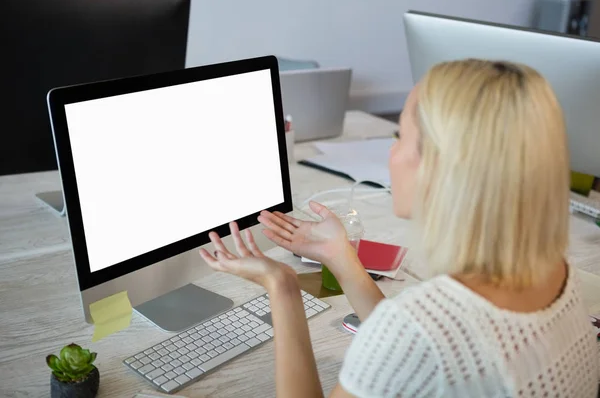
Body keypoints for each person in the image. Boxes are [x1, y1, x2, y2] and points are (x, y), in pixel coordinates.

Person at [199, 59, 599, 397]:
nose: (391, 152)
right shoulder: (556, 272)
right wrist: (341, 257)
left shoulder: (418, 327)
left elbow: (414, 338)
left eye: (400, 136)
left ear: (441, 169)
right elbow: (420, 345)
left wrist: (282, 286)